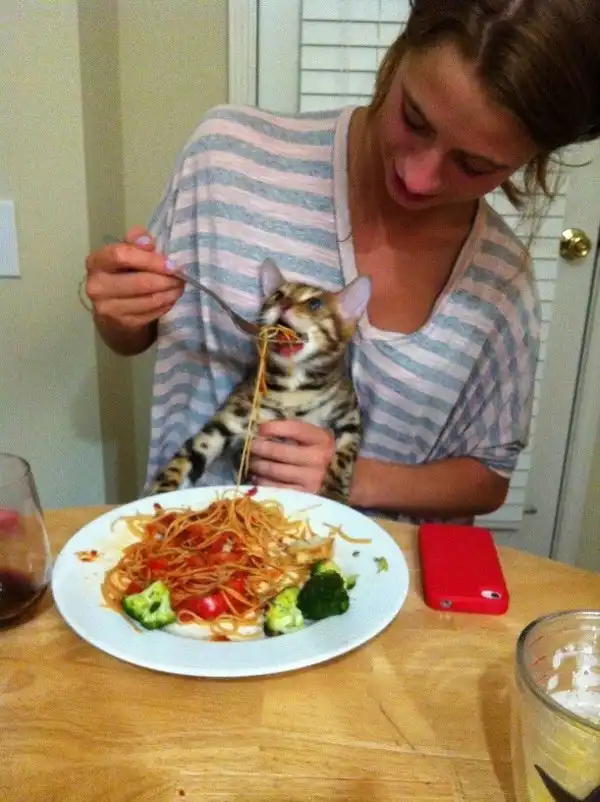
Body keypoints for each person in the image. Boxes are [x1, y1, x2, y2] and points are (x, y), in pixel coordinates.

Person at [85, 0, 600, 522]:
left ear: (528, 162)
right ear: (397, 53)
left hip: (364, 563)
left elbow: (488, 478)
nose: (417, 179)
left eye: (474, 165)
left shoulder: (502, 280)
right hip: (185, 546)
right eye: (414, 119)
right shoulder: (228, 157)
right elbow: (136, 337)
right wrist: (121, 312)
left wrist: (351, 476)